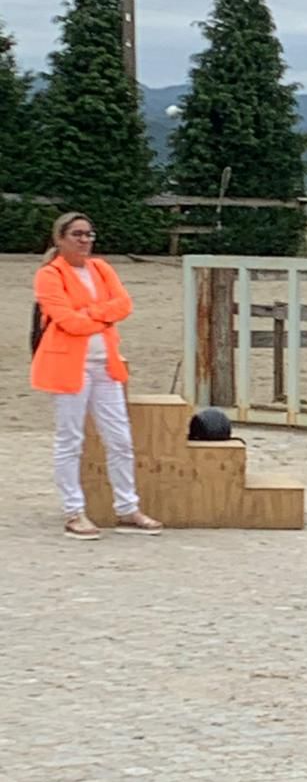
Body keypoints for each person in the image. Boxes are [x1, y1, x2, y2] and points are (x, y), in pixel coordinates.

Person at [30, 211, 162, 538]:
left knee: (120, 438)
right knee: (70, 439)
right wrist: (103, 317)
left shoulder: (101, 268)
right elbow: (66, 320)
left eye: (88, 234)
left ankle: (127, 507)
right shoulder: (49, 275)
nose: (85, 240)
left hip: (105, 364)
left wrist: (91, 315)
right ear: (59, 239)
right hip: (69, 365)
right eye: (77, 234)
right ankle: (74, 511)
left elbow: (124, 305)